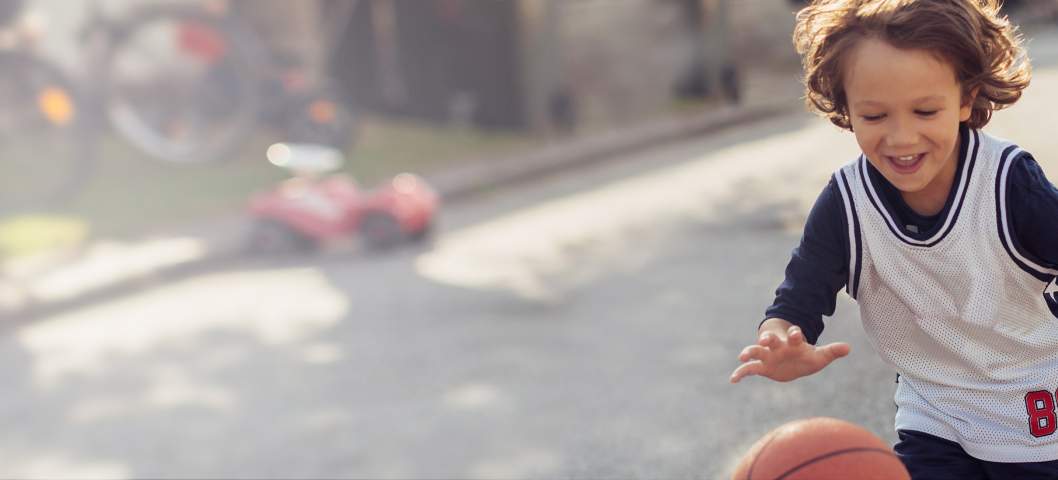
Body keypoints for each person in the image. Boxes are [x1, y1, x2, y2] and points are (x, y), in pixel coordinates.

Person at [728, 0, 1058, 478]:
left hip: (1032, 403)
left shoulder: (1008, 184)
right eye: (875, 116)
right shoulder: (848, 203)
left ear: (965, 100)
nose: (902, 138)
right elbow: (796, 300)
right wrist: (779, 342)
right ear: (846, 110)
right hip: (934, 410)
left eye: (925, 111)